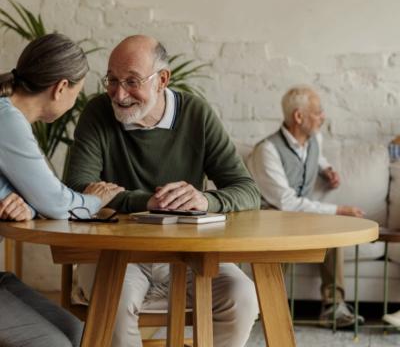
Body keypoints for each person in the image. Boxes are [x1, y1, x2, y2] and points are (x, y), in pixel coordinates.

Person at [65, 34, 261, 347]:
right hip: (116, 254)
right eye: (112, 80)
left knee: (243, 296)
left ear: (162, 80)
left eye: (131, 81)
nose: (119, 93)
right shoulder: (98, 113)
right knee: (113, 299)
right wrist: (149, 203)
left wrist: (203, 200)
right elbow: (77, 191)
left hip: (189, 253)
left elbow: (247, 190)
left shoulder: (196, 114)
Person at [0, 33, 124, 347]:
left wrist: (25, 205)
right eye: (77, 93)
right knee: (55, 344)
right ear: (60, 88)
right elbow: (57, 204)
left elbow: (35, 197)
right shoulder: (7, 120)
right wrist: (96, 198)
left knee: (82, 336)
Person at [246, 85, 365, 328]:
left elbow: (315, 157)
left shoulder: (314, 139)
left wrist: (327, 170)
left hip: (299, 217)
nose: (323, 117)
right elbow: (286, 203)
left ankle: (333, 308)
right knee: (286, 235)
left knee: (333, 231)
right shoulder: (266, 150)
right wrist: (340, 210)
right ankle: (271, 306)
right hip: (272, 216)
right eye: (318, 112)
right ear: (299, 117)